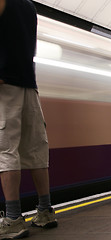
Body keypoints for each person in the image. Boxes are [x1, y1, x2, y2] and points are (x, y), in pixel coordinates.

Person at [0, 0, 57, 239]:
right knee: (35, 149)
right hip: (29, 84)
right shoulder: (28, 5)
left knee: (5, 149)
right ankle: (45, 210)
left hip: (5, 83)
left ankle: (13, 218)